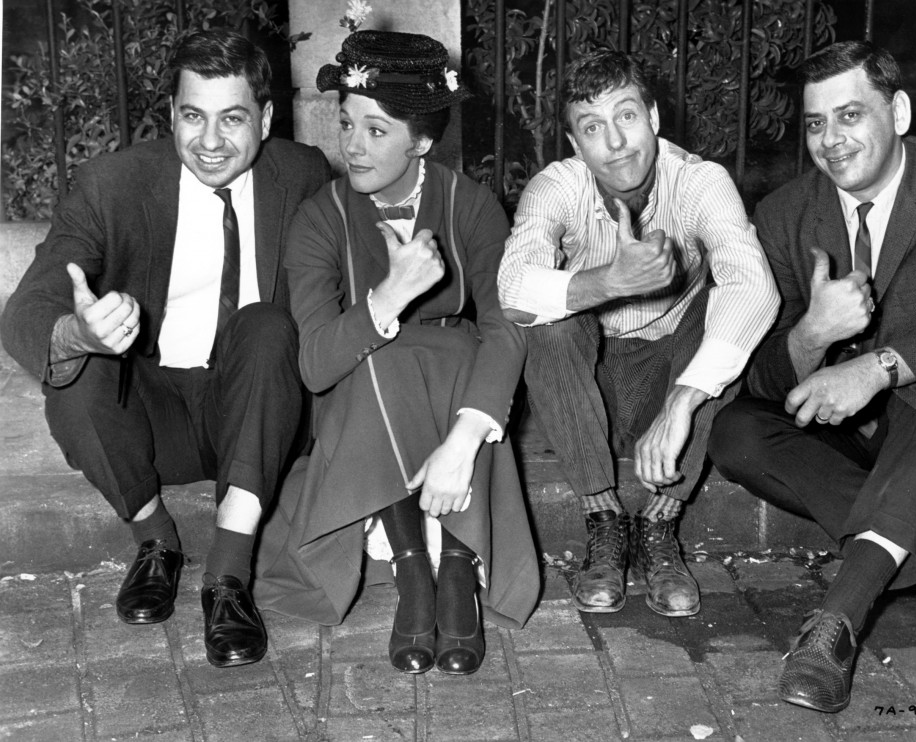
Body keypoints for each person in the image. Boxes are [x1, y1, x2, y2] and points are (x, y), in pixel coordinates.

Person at [0, 29, 332, 668]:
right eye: (192, 117)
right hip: (151, 419)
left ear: (264, 118)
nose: (209, 143)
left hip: (256, 412)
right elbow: (27, 311)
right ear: (173, 115)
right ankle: (156, 538)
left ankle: (228, 576)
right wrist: (80, 334)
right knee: (75, 365)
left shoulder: (304, 174)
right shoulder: (112, 184)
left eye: (232, 119)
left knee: (267, 325)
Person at [708, 40, 916, 713]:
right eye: (817, 124)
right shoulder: (787, 213)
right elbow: (761, 381)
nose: (831, 140)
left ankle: (836, 624)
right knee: (735, 435)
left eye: (850, 116)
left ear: (899, 111)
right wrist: (813, 333)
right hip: (860, 435)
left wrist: (877, 368)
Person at [253, 30, 540, 676]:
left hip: (451, 395)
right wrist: (385, 299)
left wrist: (464, 443)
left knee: (472, 354)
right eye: (347, 123)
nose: (352, 145)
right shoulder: (320, 218)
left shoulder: (471, 205)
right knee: (379, 358)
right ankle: (414, 569)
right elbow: (317, 363)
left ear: (424, 141)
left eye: (376, 131)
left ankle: (459, 568)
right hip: (359, 398)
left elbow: (506, 325)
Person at [498, 50, 780, 619]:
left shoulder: (701, 181)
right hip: (590, 388)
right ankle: (603, 519)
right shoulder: (555, 187)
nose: (616, 142)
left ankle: (659, 525)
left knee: (725, 313)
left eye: (626, 116)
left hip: (670, 380)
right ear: (576, 145)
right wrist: (608, 280)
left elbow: (756, 288)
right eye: (592, 128)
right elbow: (512, 289)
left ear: (653, 117)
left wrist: (684, 398)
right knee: (546, 320)